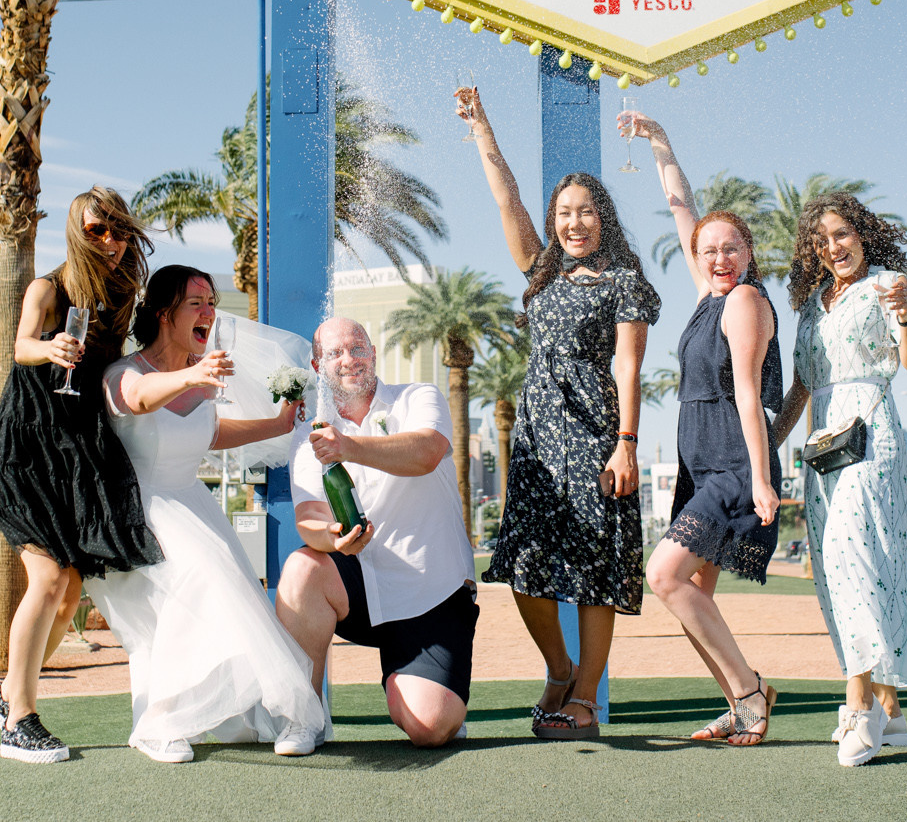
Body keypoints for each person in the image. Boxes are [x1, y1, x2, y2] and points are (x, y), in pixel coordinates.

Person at [455, 85, 658, 739]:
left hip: (597, 434)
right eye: (565, 212)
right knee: (523, 562)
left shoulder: (625, 280)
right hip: (539, 440)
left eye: (586, 212)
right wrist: (483, 127)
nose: (574, 222)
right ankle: (559, 665)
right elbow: (505, 196)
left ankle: (586, 699)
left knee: (596, 571)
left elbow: (628, 363)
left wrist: (626, 441)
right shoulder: (540, 269)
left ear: (604, 218)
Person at [87, 266, 326, 764]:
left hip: (193, 505)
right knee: (202, 587)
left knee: (237, 598)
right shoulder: (125, 373)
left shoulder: (204, 378)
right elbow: (133, 400)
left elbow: (211, 434)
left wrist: (277, 423)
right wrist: (193, 375)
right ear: (163, 313)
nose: (209, 311)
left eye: (212, 301)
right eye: (196, 302)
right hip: (141, 510)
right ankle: (159, 725)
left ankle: (285, 715)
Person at [0, 187, 160, 765]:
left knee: (71, 591)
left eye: (119, 230)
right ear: (76, 232)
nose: (110, 241)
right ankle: (20, 719)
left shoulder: (122, 293)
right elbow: (20, 345)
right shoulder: (47, 290)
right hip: (25, 452)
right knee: (52, 579)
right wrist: (49, 347)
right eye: (97, 230)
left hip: (75, 457)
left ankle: (8, 690)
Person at [620, 109, 783, 746]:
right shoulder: (708, 292)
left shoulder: (743, 301)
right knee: (696, 600)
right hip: (699, 464)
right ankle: (742, 699)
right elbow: (680, 204)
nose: (718, 256)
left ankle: (750, 692)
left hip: (734, 463)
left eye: (731, 248)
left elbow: (747, 393)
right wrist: (660, 142)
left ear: (748, 254)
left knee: (663, 577)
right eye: (709, 249)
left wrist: (762, 481)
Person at [770, 192, 907, 767]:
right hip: (820, 447)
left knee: (854, 555)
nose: (833, 247)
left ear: (860, 234)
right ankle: (891, 711)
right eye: (821, 241)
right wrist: (766, 447)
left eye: (841, 234)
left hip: (872, 432)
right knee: (841, 569)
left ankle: (857, 704)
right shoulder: (812, 305)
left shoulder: (886, 285)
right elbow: (801, 387)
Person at [275, 317, 480, 749]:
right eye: (334, 353)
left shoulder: (418, 397)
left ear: (373, 353)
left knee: (429, 728)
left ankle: (420, 692)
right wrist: (334, 539)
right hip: (360, 587)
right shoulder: (306, 437)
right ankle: (305, 717)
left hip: (432, 589)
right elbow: (309, 517)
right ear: (317, 365)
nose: (348, 360)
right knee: (300, 567)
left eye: (357, 348)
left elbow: (426, 452)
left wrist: (347, 448)